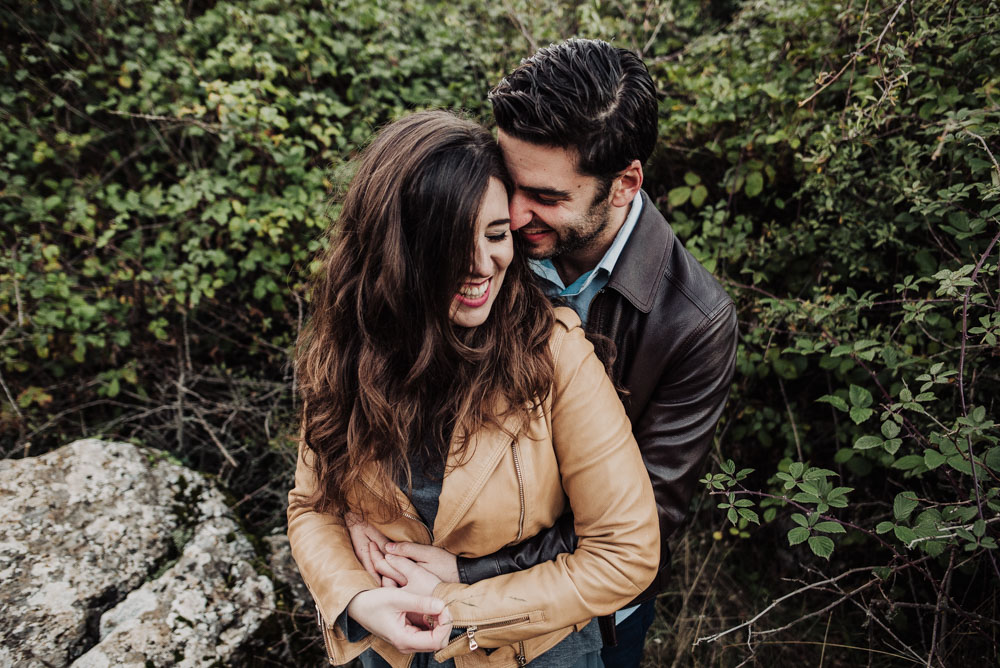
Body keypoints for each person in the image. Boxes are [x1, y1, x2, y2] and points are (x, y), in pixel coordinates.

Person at [348, 40, 739, 667]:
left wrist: (472, 573)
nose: (514, 211)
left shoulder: (693, 323)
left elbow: (645, 525)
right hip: (416, 588)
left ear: (624, 184)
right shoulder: (486, 242)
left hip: (586, 616)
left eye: (547, 197)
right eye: (511, 180)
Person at [287, 109, 660, 668]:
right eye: (452, 244)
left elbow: (625, 554)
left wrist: (458, 606)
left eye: (496, 234)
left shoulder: (554, 355)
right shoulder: (349, 349)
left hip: (527, 654)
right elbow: (311, 507)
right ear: (398, 249)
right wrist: (358, 599)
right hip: (381, 652)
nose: (484, 264)